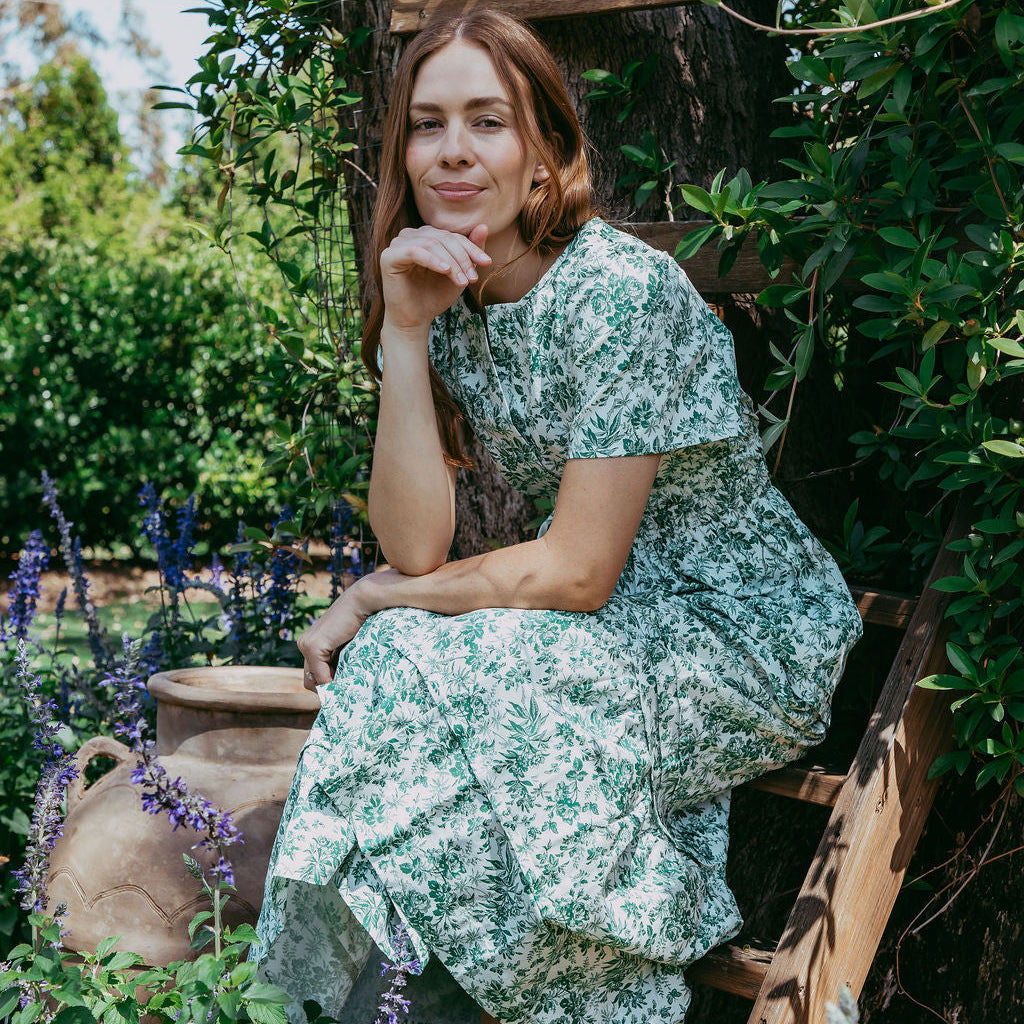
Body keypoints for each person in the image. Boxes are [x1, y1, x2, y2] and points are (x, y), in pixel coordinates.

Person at [250, 10, 862, 1024]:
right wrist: (405, 333)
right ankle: (392, 1003)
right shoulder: (452, 292)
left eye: (486, 122)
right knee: (415, 673)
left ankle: (404, 1005)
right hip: (606, 624)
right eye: (427, 123)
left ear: (543, 155)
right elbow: (418, 542)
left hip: (743, 635)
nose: (452, 150)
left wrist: (376, 594)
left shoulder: (620, 295)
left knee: (407, 657)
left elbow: (572, 568)